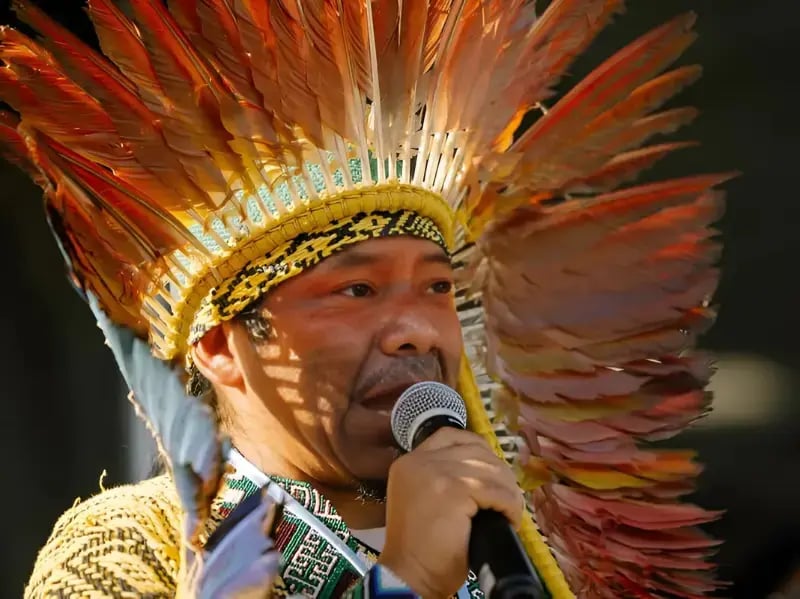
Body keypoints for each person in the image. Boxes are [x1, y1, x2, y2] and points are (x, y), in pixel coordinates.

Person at [1, 1, 730, 597]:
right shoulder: (128, 548)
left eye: (438, 287)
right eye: (357, 288)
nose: (416, 328)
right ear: (223, 345)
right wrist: (407, 579)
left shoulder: (524, 558)